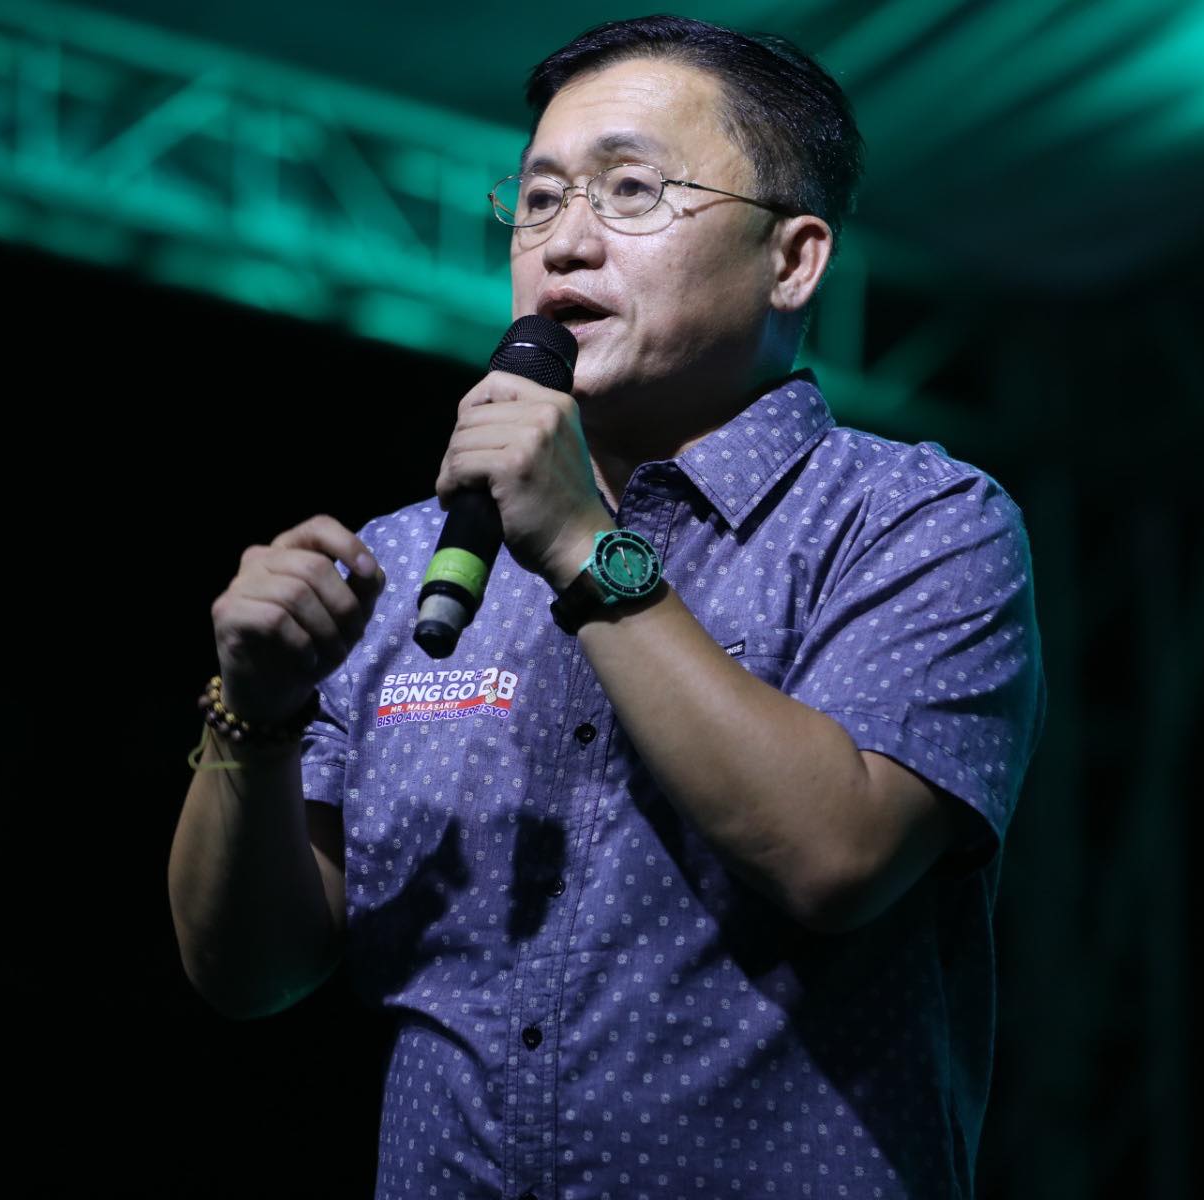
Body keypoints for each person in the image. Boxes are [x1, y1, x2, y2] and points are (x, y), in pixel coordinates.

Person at [169, 15, 1044, 1199]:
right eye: (537, 201)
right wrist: (257, 716)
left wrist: (582, 544)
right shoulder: (405, 558)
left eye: (632, 190)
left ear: (793, 260)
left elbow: (837, 855)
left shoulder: (916, 520)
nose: (565, 243)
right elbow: (248, 973)